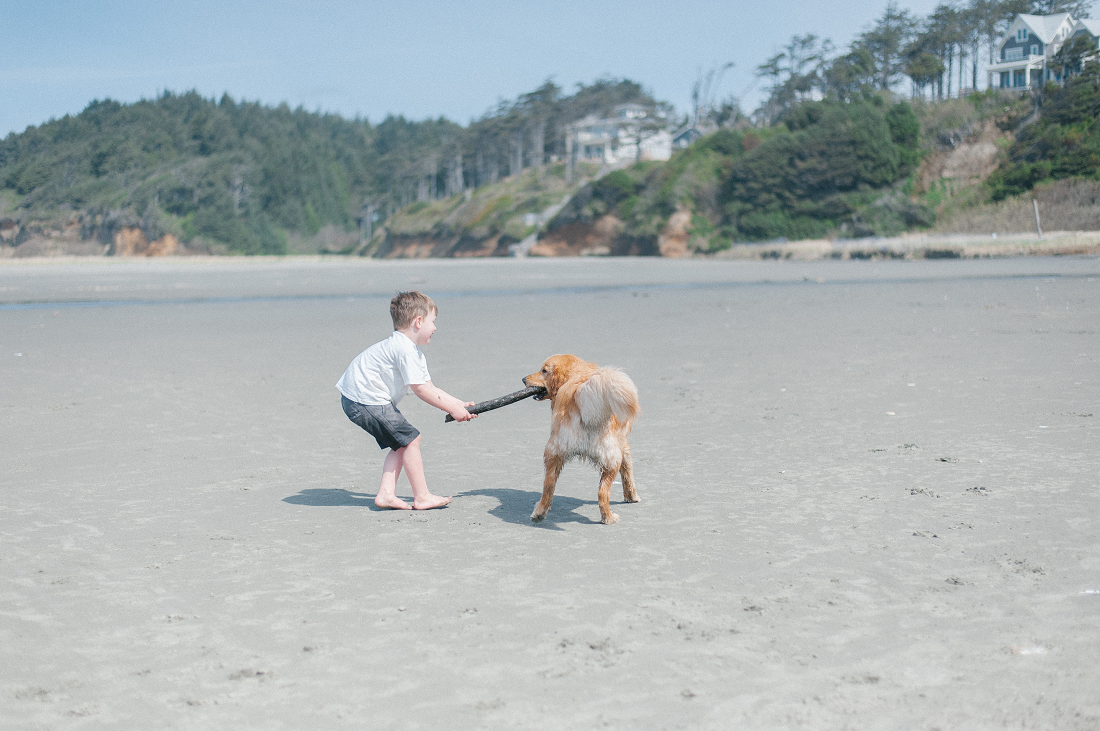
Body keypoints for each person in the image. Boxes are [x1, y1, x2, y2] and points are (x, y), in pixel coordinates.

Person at [337, 291, 476, 510]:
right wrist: (451, 408)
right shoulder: (405, 350)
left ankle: (386, 495)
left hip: (360, 399)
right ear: (418, 322)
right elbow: (420, 390)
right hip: (364, 400)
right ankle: (422, 496)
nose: (435, 328)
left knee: (402, 443)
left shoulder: (411, 351)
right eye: (433, 322)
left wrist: (459, 404)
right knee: (412, 439)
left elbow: (430, 386)